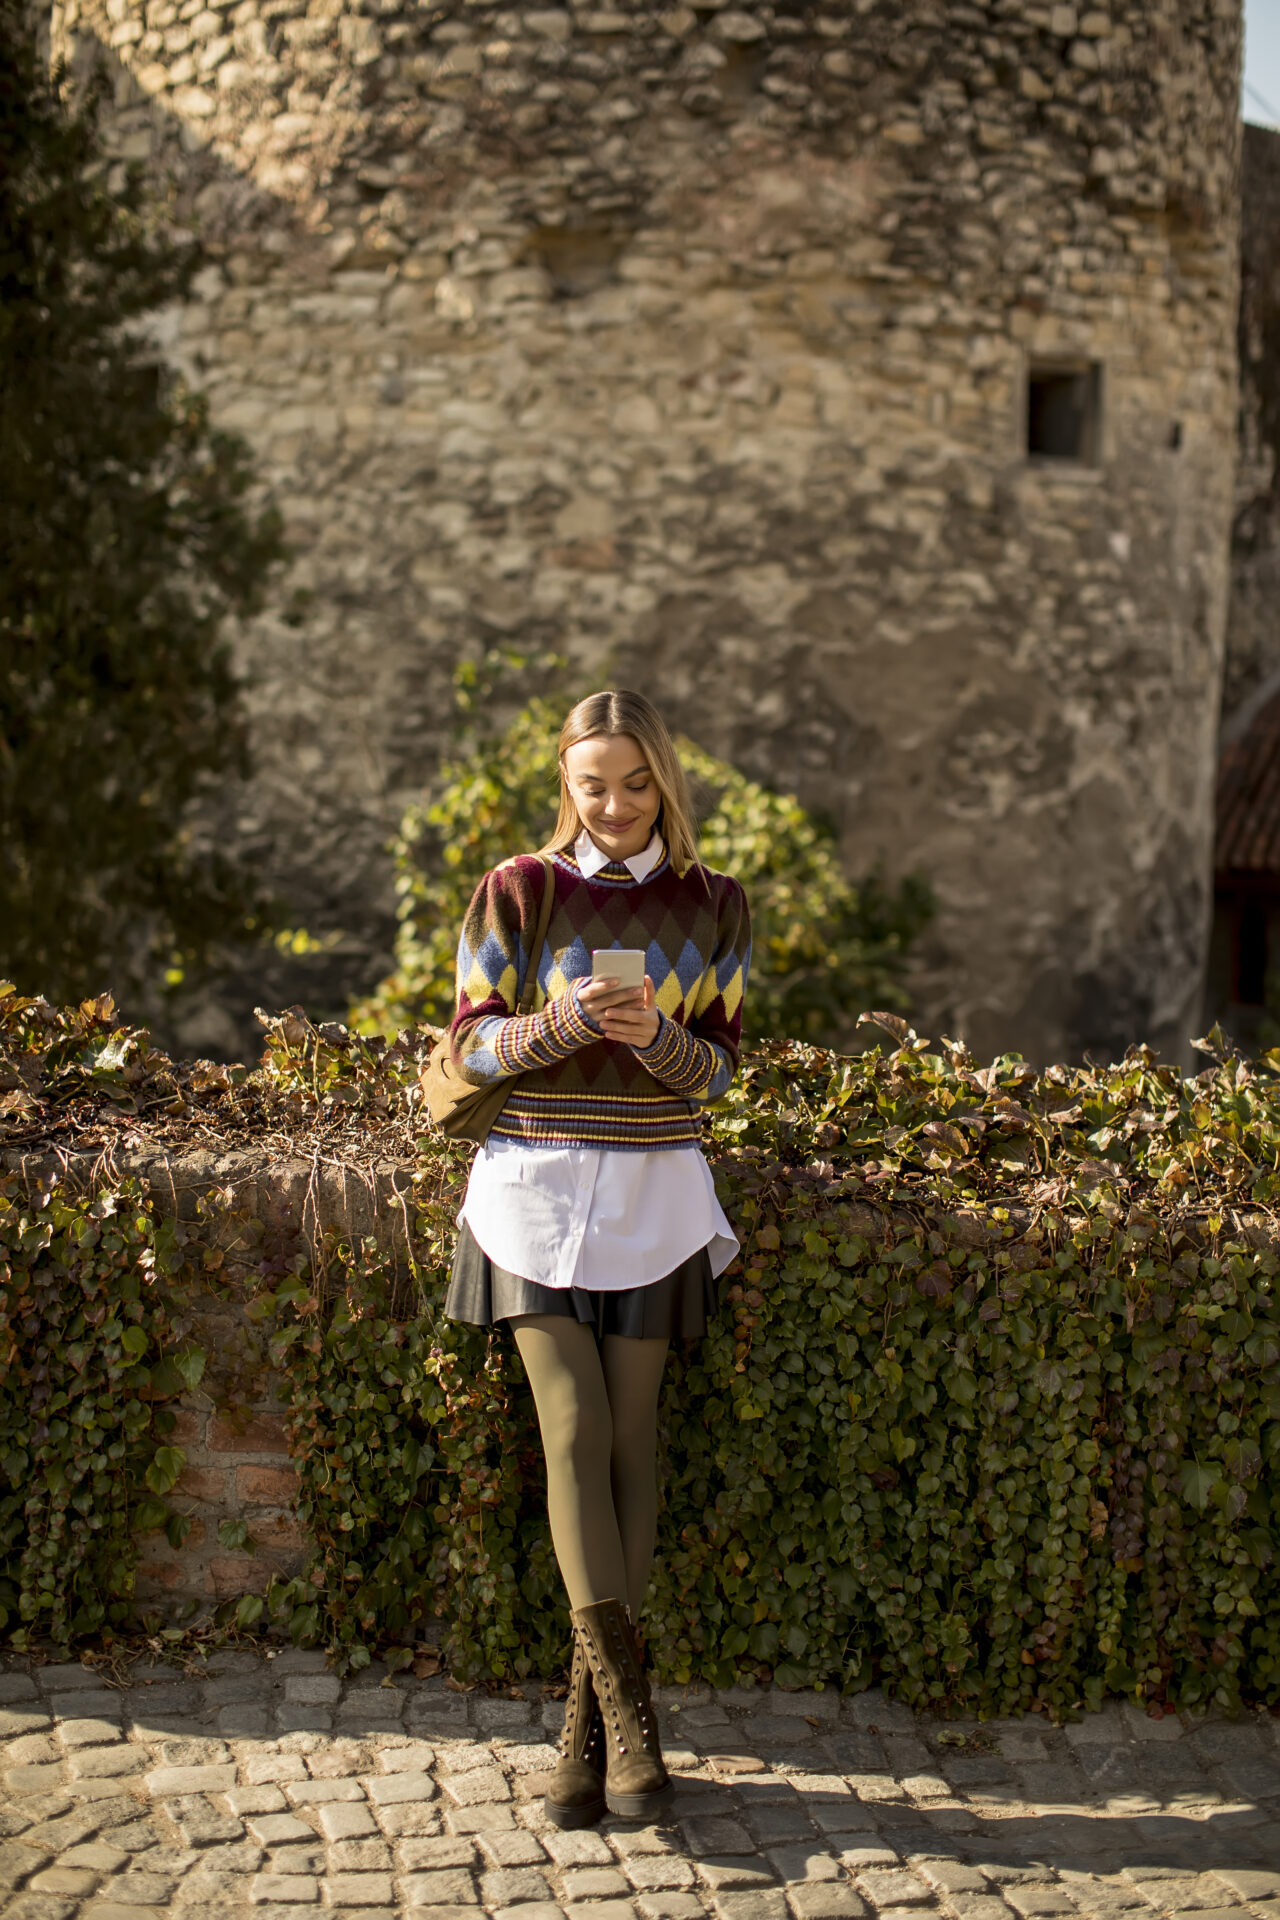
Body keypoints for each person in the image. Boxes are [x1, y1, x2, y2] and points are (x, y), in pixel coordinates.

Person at [442, 688, 751, 1827]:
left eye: (633, 783)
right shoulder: (516, 889)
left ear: (661, 779)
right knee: (569, 1428)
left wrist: (655, 1039)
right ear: (564, 786)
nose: (613, 806)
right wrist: (559, 1026)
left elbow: (718, 1070)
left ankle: (583, 1729)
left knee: (630, 1442)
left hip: (655, 1193)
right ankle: (634, 1718)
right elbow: (470, 1041)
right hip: (526, 1189)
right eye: (591, 785)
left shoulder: (715, 902)